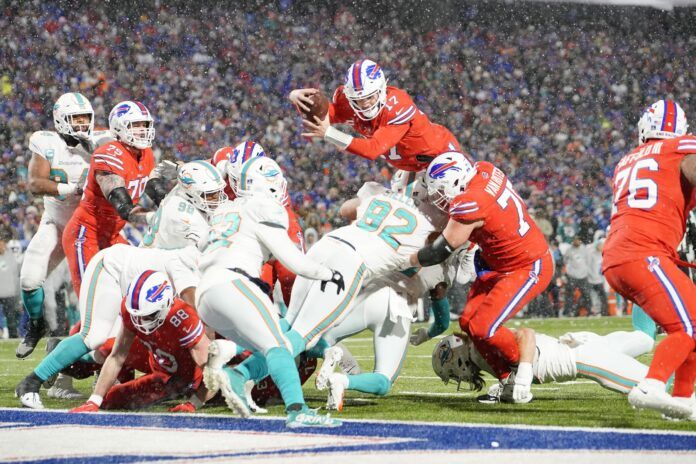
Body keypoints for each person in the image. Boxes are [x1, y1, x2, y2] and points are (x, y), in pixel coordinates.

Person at [220, 164, 439, 418]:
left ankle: (234, 352)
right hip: (351, 263)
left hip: (327, 245)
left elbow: (346, 210)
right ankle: (241, 374)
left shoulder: (379, 198)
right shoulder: (428, 228)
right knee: (303, 338)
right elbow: (417, 268)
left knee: (289, 324)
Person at [196, 157, 343, 428]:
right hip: (234, 282)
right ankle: (298, 412)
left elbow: (202, 245)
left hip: (205, 293)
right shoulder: (263, 206)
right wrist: (329, 274)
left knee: (267, 345)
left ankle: (236, 377)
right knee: (279, 347)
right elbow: (293, 260)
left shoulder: (227, 208)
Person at [405, 152, 552, 386]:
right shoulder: (483, 169)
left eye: (441, 192)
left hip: (525, 264)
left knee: (484, 327)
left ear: (456, 182)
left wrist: (405, 259)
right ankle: (505, 379)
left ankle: (522, 365)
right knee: (468, 323)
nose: (440, 199)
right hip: (499, 263)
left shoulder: (470, 202)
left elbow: (438, 251)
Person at [15, 243, 199, 409]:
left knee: (116, 346)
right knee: (94, 336)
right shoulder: (186, 268)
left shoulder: (194, 262)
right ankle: (31, 383)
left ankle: (67, 360)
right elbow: (195, 313)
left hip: (136, 296)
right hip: (110, 270)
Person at [603, 99, 696, 420]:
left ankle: (683, 402)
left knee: (687, 325)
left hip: (620, 255)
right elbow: (690, 168)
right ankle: (651, 385)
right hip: (644, 253)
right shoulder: (679, 148)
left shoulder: (628, 159)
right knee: (689, 326)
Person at [16, 92, 112, 358]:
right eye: (75, 118)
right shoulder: (47, 142)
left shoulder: (104, 139)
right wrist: (72, 188)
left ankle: (97, 348)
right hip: (57, 224)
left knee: (95, 294)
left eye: (85, 118)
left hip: (92, 228)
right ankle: (37, 325)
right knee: (29, 279)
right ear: (60, 120)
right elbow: (35, 183)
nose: (82, 124)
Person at [70, 271, 212, 412]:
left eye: (149, 315)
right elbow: (117, 356)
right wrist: (93, 401)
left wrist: (194, 403)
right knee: (104, 348)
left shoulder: (184, 319)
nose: (141, 322)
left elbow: (214, 370)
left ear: (166, 304)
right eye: (137, 315)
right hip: (154, 355)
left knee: (110, 399)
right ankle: (71, 368)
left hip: (175, 377)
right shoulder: (133, 310)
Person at [61, 101, 162, 298]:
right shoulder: (108, 154)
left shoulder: (146, 153)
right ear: (119, 127)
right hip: (85, 233)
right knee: (93, 301)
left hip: (112, 235)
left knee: (137, 291)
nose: (142, 130)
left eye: (145, 125)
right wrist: (154, 218)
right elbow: (123, 206)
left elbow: (154, 188)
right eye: (136, 125)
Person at [292, 59, 462, 172]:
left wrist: (330, 134)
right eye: (359, 100)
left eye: (370, 97)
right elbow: (324, 116)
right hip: (410, 167)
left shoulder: (397, 106)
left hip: (440, 158)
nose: (365, 103)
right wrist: (297, 97)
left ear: (382, 89)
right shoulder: (347, 102)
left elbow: (373, 149)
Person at [432, 329, 654, 402]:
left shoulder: (478, 350)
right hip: (580, 344)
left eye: (451, 372)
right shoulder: (479, 347)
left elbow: (525, 335)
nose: (458, 377)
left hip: (583, 359)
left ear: (455, 358)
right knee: (646, 340)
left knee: (652, 386)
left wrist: (523, 374)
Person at [211, 141, 305, 305]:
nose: (239, 184)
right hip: (244, 231)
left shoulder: (268, 180)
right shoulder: (222, 163)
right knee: (255, 289)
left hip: (275, 219)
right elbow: (201, 170)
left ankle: (301, 323)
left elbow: (280, 222)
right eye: (236, 178)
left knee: (292, 276)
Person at [141, 160, 226, 251]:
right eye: (210, 196)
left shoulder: (182, 189)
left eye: (218, 193)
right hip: (158, 262)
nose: (218, 199)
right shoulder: (189, 221)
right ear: (192, 194)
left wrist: (182, 168)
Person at [562, 236, 592, 316]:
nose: (576, 241)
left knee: (586, 295)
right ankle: (568, 312)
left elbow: (588, 261)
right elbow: (565, 261)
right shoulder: (569, 250)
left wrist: (586, 271)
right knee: (569, 295)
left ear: (580, 241)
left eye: (578, 240)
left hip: (583, 276)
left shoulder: (584, 249)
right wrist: (568, 272)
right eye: (575, 240)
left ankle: (588, 311)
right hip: (572, 276)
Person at [0, 238, 19, 339]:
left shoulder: (10, 256)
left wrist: (16, 291)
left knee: (11, 317)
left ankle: (13, 335)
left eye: (2, 244)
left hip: (9, 292)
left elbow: (15, 274)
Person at [586, 238, 609, 316]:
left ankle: (604, 312)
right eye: (600, 245)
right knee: (591, 297)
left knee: (603, 298)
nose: (601, 247)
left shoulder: (604, 255)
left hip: (600, 280)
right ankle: (591, 312)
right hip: (591, 280)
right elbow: (588, 266)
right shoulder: (592, 254)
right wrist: (591, 276)